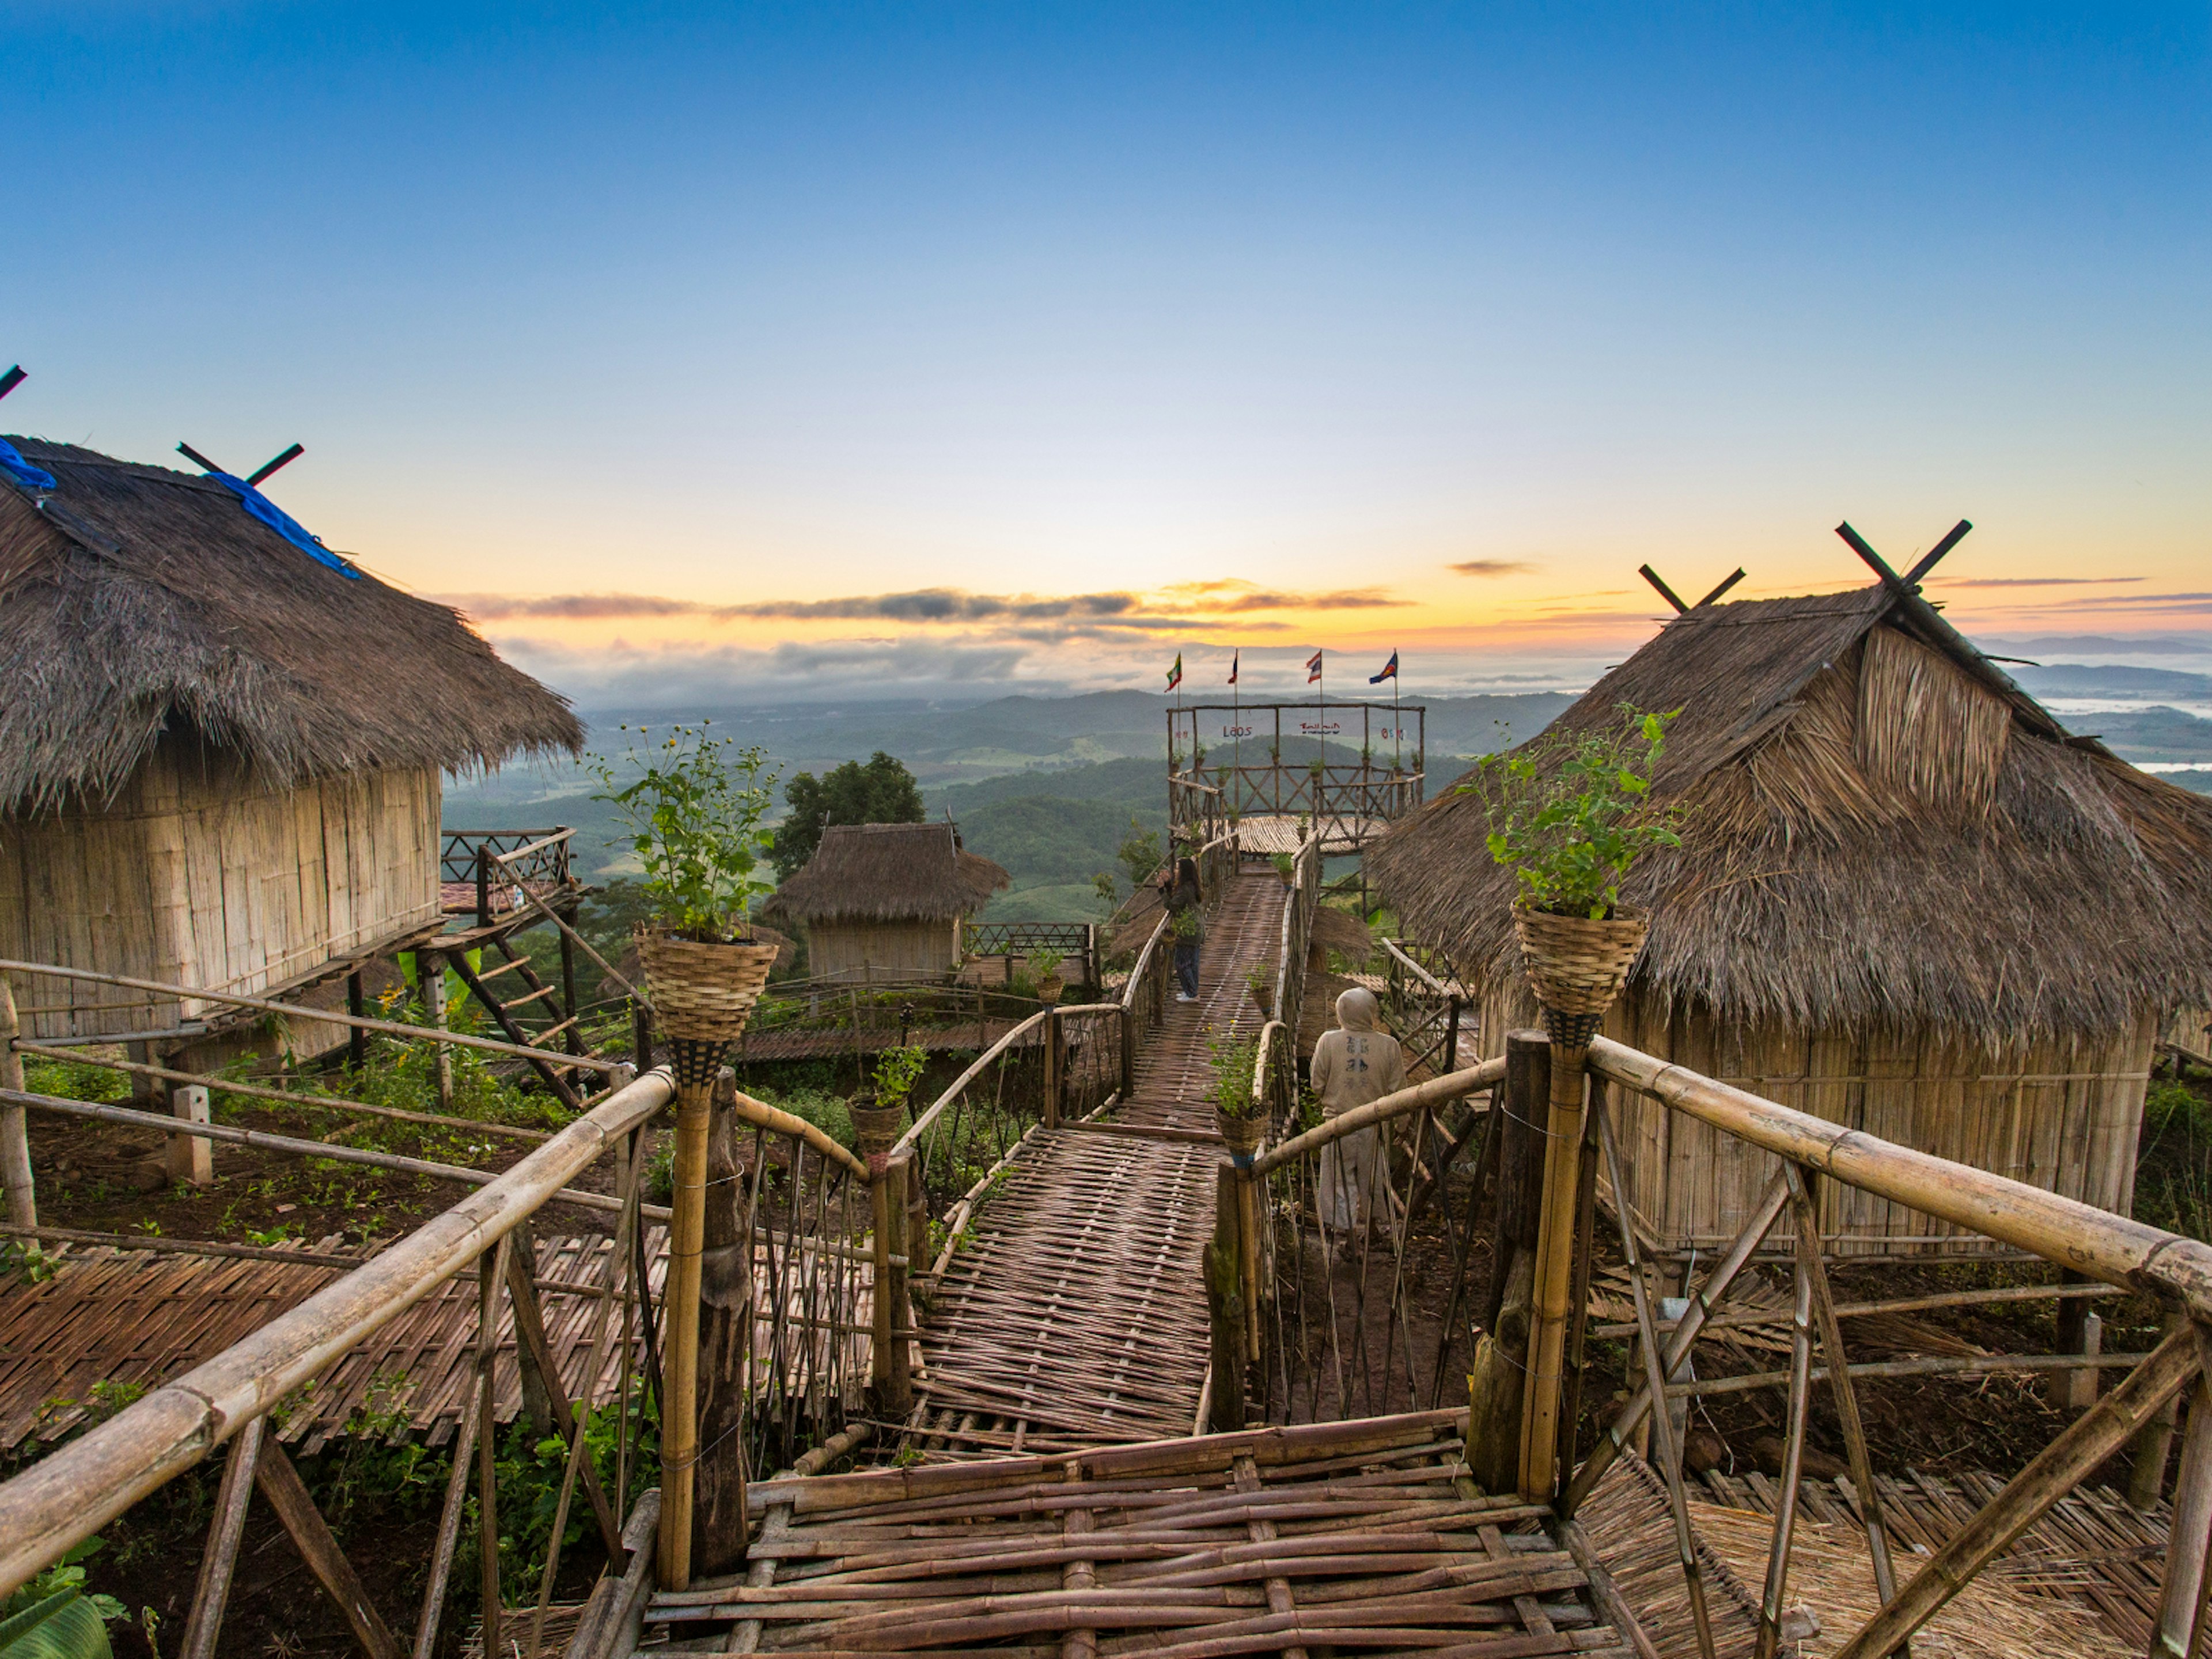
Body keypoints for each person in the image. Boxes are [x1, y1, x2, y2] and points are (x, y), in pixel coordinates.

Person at [1309, 986, 1406, 1232]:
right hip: (1373, 1126)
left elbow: (1317, 1084)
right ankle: (1372, 1228)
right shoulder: (1389, 1045)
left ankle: (1348, 1234)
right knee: (1372, 1178)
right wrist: (1402, 1125)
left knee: (1338, 1180)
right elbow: (1400, 1093)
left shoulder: (1328, 1041)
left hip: (1337, 1124)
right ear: (1371, 1013)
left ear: (1342, 1012)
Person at [1161, 855, 1202, 1002]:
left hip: (1187, 931)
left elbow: (1172, 905)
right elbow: (1176, 897)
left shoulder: (1185, 889)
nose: (1175, 870)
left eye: (1178, 868)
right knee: (1192, 963)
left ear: (1184, 871)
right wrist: (1167, 885)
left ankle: (1192, 994)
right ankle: (1192, 992)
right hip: (1195, 929)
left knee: (1182, 963)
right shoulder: (1191, 886)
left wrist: (1161, 891)